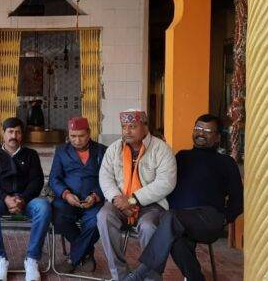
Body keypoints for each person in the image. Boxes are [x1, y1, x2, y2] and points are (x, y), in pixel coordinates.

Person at [124, 114, 243, 281]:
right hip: (178, 221)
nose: (201, 133)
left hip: (208, 218)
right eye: (198, 129)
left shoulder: (226, 162)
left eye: (207, 131)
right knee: (175, 239)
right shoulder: (181, 157)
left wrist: (224, 219)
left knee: (170, 219)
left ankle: (140, 274)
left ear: (217, 137)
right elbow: (164, 184)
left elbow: (238, 200)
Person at [97, 109, 177, 281]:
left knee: (149, 227)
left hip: (151, 205)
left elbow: (166, 183)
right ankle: (120, 275)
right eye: (124, 126)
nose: (127, 131)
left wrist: (133, 200)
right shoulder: (114, 149)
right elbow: (105, 177)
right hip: (119, 201)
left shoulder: (161, 149)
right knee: (104, 216)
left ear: (145, 127)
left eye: (132, 126)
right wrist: (116, 200)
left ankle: (151, 278)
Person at [0, 117, 50, 281]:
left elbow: (37, 181)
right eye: (10, 132)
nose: (14, 135)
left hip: (26, 201)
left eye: (18, 132)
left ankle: (32, 259)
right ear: (3, 133)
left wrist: (23, 199)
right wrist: (5, 198)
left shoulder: (31, 155)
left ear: (22, 135)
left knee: (44, 206)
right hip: (0, 201)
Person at [50, 117, 107, 273]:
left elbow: (109, 179)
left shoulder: (102, 151)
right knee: (58, 218)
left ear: (89, 133)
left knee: (96, 222)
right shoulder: (61, 150)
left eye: (81, 135)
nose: (76, 140)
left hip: (93, 201)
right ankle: (87, 252)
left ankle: (73, 258)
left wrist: (95, 196)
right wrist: (66, 194)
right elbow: (54, 178)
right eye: (73, 136)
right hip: (67, 201)